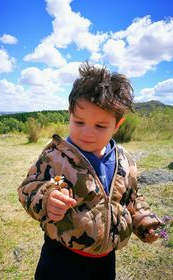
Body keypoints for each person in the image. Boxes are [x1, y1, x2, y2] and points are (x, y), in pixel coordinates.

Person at [18, 62, 162, 280]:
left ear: (117, 124)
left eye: (100, 126)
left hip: (105, 261)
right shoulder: (55, 156)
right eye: (79, 122)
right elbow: (27, 188)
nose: (87, 133)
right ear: (70, 114)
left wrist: (145, 222)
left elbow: (131, 199)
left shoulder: (125, 162)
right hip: (60, 258)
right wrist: (46, 198)